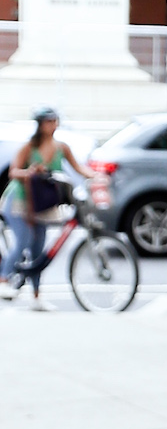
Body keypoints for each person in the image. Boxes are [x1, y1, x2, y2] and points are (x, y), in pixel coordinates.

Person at [2, 107, 89, 307]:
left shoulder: (61, 148)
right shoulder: (28, 147)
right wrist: (31, 172)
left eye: (55, 121)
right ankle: (4, 278)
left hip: (42, 204)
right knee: (23, 240)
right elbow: (14, 172)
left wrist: (95, 176)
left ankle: (36, 296)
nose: (53, 126)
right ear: (40, 125)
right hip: (19, 200)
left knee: (38, 250)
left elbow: (79, 168)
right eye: (49, 122)